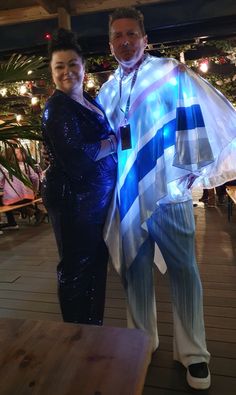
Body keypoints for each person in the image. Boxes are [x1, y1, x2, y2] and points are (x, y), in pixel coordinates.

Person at [97, 7, 236, 390]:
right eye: (117, 37)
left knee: (185, 273)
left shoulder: (170, 73)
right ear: (110, 46)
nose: (124, 41)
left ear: (145, 39)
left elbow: (196, 116)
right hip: (128, 199)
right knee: (135, 274)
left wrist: (192, 168)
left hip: (170, 196)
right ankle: (141, 341)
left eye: (130, 34)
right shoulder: (107, 90)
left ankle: (194, 354)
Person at [41, 29, 117, 326]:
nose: (67, 72)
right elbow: (77, 157)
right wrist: (112, 143)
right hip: (73, 202)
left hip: (94, 203)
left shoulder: (87, 99)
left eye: (72, 64)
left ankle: (92, 329)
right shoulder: (56, 109)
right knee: (75, 268)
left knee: (96, 264)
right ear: (52, 73)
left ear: (84, 67)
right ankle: (76, 336)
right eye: (59, 67)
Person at [0, 144, 40, 230]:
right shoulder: (25, 165)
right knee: (11, 199)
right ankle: (35, 212)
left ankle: (12, 222)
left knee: (3, 202)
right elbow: (35, 177)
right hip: (30, 196)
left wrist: (4, 186)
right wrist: (35, 190)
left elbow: (0, 182)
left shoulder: (4, 168)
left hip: (15, 199)